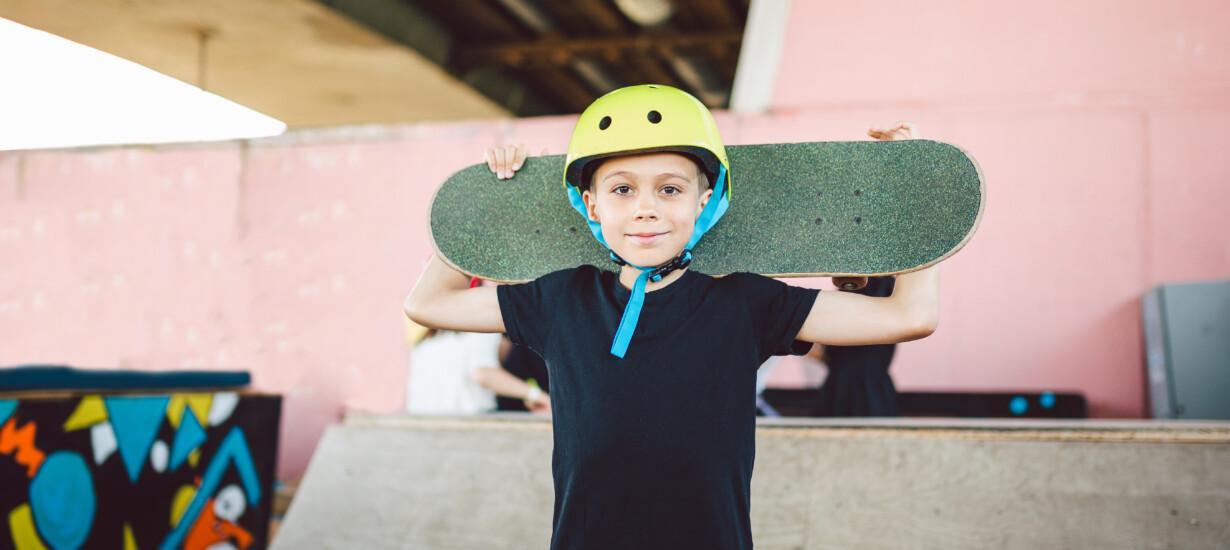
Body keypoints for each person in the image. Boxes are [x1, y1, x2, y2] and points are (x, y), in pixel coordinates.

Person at [405, 84, 939, 550]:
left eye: (670, 188)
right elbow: (428, 305)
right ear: (591, 205)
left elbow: (908, 315)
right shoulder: (560, 299)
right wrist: (484, 209)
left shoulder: (748, 305)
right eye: (621, 189)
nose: (646, 207)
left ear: (703, 201)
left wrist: (916, 189)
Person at [405, 320, 551, 415]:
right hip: (467, 424)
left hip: (420, 421)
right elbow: (483, 373)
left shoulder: (425, 341)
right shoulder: (482, 329)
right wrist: (536, 395)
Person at [811, 276, 902, 417]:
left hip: (840, 387)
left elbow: (826, 350)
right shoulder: (890, 288)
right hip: (872, 386)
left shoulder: (846, 288)